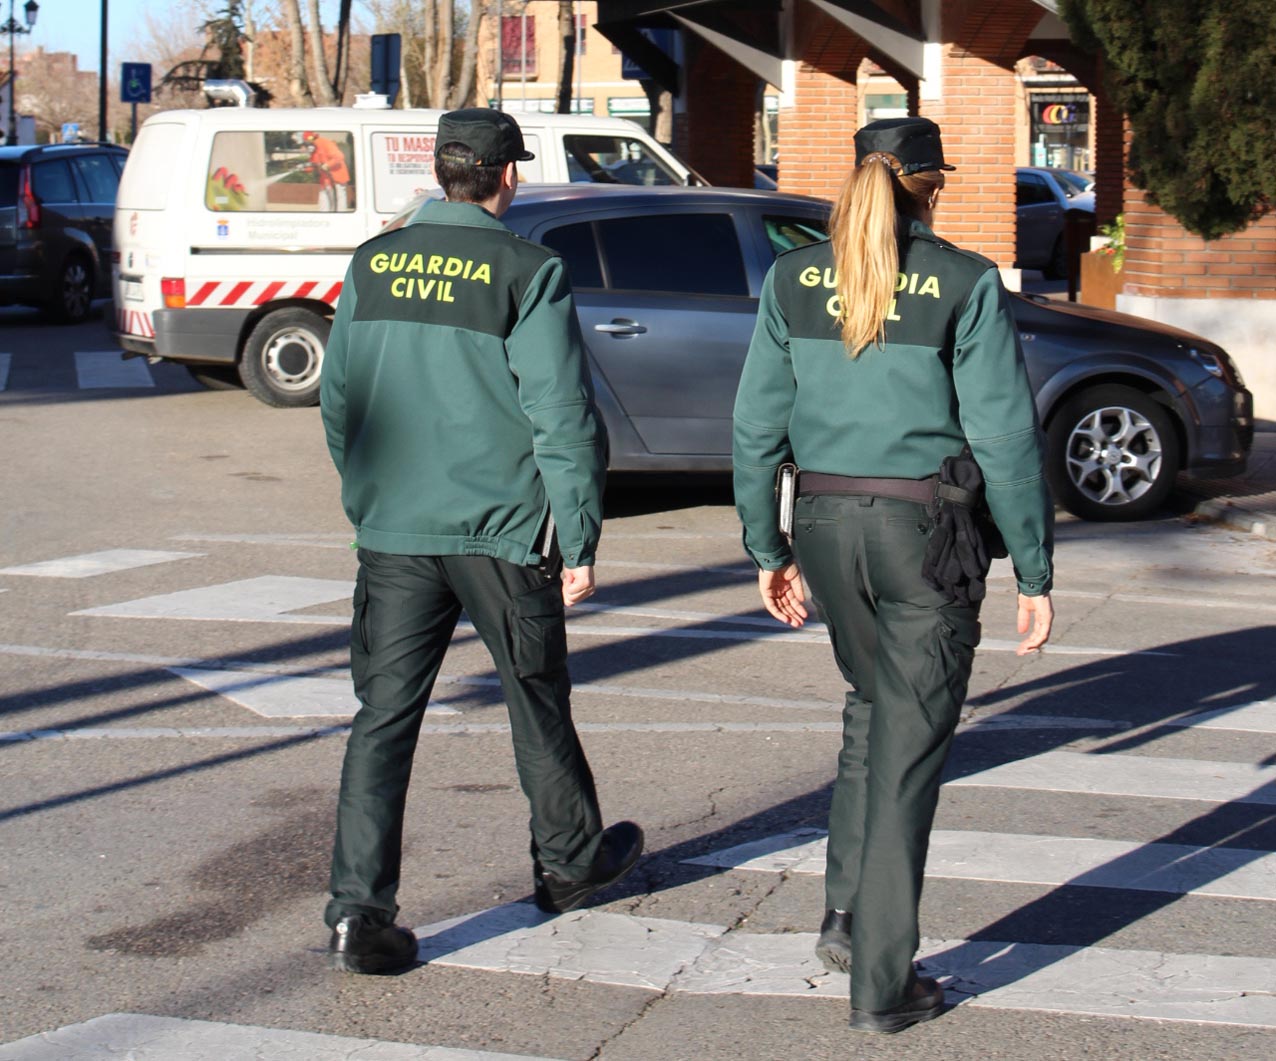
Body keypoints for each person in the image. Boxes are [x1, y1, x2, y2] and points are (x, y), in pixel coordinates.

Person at [732, 116, 1054, 1034]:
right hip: (926, 532)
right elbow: (1000, 435)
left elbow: (757, 426)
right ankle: (881, 980)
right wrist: (1033, 565)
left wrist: (767, 547)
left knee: (875, 709)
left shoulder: (793, 277)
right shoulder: (964, 280)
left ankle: (843, 910)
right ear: (930, 185)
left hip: (827, 524)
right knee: (911, 749)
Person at [319, 107, 643, 976]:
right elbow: (563, 415)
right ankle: (569, 862)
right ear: (507, 178)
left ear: (440, 171)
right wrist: (577, 535)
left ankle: (358, 912)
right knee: (535, 695)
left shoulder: (373, 262)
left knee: (382, 718)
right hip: (502, 530)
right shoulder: (527, 268)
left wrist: (368, 496)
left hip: (395, 528)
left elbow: (339, 397)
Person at [303, 130, 352, 210]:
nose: (306, 144)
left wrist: (327, 165)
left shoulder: (325, 143)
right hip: (325, 180)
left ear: (311, 138)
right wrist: (305, 168)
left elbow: (339, 156)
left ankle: (341, 219)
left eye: (306, 141)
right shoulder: (314, 148)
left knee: (338, 202)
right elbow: (314, 163)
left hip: (337, 178)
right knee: (324, 203)